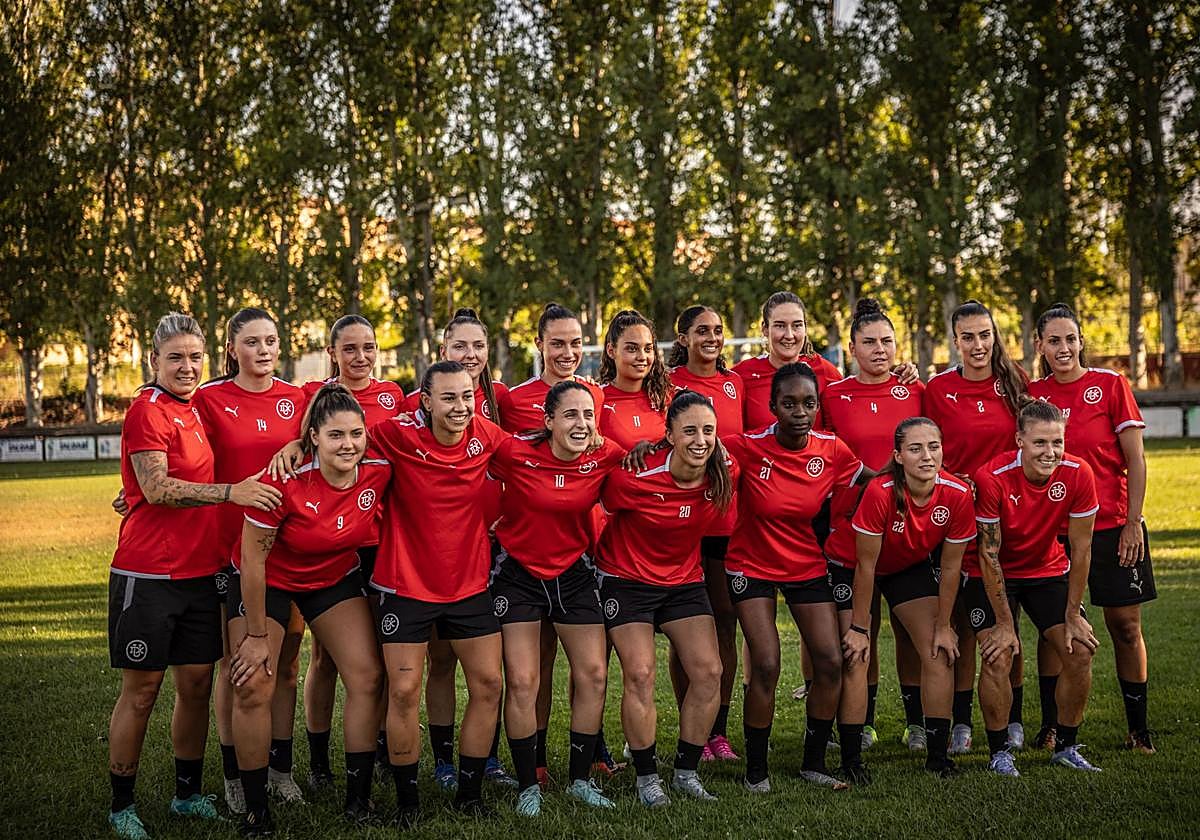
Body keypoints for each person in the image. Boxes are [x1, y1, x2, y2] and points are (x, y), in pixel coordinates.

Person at [106, 313, 281, 840]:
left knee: (198, 685)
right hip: (149, 573)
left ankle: (186, 794)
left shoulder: (197, 408)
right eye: (175, 357)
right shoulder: (146, 409)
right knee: (142, 691)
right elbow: (158, 488)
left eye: (194, 357)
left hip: (204, 572)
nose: (186, 366)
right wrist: (232, 491)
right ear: (153, 361)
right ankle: (121, 805)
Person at [227, 383, 389, 833]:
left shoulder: (378, 471)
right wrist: (257, 637)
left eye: (356, 433)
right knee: (253, 681)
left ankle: (358, 800)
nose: (349, 444)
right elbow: (253, 561)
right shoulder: (283, 478)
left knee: (368, 675)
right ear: (313, 437)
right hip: (269, 580)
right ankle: (257, 810)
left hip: (331, 578)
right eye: (336, 435)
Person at [368, 361, 508, 822]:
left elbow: (536, 459)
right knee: (404, 691)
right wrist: (294, 445)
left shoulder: (486, 436)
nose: (460, 406)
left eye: (467, 396)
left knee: (489, 686)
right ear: (425, 401)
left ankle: (469, 796)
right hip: (405, 583)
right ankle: (408, 805)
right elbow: (338, 437)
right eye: (448, 398)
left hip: (467, 585)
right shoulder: (395, 435)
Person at [722, 363, 865, 793]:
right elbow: (694, 444)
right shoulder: (746, 446)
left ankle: (813, 762)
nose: (799, 412)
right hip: (750, 563)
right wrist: (648, 447)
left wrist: (928, 479)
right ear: (772, 407)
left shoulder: (833, 449)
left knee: (830, 661)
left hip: (804, 563)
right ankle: (756, 771)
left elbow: (872, 483)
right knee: (765, 663)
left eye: (808, 403)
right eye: (789, 403)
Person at [488, 381, 624, 815]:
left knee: (594, 675)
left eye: (588, 415)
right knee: (524, 680)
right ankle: (529, 783)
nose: (581, 423)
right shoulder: (514, 452)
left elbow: (651, 459)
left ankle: (581, 780)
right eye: (570, 415)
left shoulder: (605, 454)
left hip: (574, 572)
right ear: (547, 421)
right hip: (519, 573)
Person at [598, 391, 738, 806]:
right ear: (669, 435)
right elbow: (594, 499)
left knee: (710, 672)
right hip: (625, 579)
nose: (700, 439)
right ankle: (646, 779)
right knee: (640, 673)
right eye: (689, 430)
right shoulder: (633, 475)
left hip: (682, 581)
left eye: (708, 430)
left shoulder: (724, 471)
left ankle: (685, 772)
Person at [192, 308, 307, 811]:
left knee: (286, 666)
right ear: (232, 348)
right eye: (253, 342)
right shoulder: (209, 398)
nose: (264, 350)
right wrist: (136, 490)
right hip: (229, 552)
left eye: (272, 341)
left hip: (291, 550)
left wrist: (299, 440)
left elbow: (321, 439)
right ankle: (236, 774)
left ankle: (281, 771)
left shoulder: (296, 398)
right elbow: (176, 453)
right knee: (236, 668)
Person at [1030, 303, 1156, 754]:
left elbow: (1136, 459)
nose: (1063, 348)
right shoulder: (1033, 394)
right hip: (1054, 532)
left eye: (1070, 339)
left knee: (1124, 626)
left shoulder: (1109, 385)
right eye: (1053, 340)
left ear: (1081, 340)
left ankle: (1138, 728)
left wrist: (1132, 522)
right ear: (1039, 346)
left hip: (1110, 526)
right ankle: (1049, 724)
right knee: (1054, 629)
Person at [401, 308, 515, 789]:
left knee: (491, 667)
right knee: (442, 658)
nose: (470, 356)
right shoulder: (413, 408)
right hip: (436, 549)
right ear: (443, 351)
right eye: (460, 347)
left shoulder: (499, 398)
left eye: (478, 347)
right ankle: (444, 761)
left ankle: (486, 758)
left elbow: (519, 453)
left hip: (493, 544)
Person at [497, 303, 611, 781]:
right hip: (523, 550)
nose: (567, 352)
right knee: (531, 669)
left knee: (591, 669)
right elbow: (492, 454)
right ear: (539, 344)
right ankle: (535, 763)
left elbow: (608, 451)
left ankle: (589, 757)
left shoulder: (595, 396)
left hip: (576, 549)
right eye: (557, 342)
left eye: (575, 342)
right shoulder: (512, 401)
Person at [830, 418, 975, 781]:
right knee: (856, 655)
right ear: (898, 456)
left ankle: (938, 758)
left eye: (934, 447)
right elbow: (865, 566)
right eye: (915, 449)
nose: (927, 456)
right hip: (851, 564)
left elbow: (951, 567)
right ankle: (851, 759)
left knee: (938, 651)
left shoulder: (957, 494)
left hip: (904, 565)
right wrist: (860, 629)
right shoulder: (881, 492)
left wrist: (943, 626)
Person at [966, 399, 1102, 776]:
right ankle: (999, 753)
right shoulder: (991, 476)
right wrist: (1006, 625)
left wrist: (1073, 614)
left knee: (1080, 651)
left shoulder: (1079, 473)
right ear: (1019, 440)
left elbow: (1082, 547)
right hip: (991, 573)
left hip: (1047, 571)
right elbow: (988, 554)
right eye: (1040, 443)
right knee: (998, 654)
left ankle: (1066, 745)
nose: (1051, 451)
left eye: (1057, 442)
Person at [923, 300, 1030, 755]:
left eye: (985, 334)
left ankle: (1016, 716)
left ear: (995, 335)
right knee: (964, 625)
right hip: (956, 522)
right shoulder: (937, 389)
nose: (978, 344)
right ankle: (963, 721)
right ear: (955, 341)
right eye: (968, 336)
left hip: (1008, 521)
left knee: (1009, 623)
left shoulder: (1016, 383)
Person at [301, 314, 403, 787]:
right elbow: (295, 449)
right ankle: (318, 760)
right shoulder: (315, 398)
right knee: (324, 658)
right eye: (350, 349)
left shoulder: (393, 396)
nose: (360, 357)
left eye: (369, 347)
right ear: (333, 352)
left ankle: (380, 746)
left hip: (380, 542)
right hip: (331, 544)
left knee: (380, 654)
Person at [822, 298, 927, 750]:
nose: (879, 349)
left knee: (909, 631)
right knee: (861, 628)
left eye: (887, 341)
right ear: (851, 347)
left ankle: (917, 721)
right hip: (851, 532)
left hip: (909, 531)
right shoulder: (832, 396)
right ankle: (861, 722)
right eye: (869, 342)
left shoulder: (915, 392)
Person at [667, 305, 744, 761]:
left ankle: (717, 730)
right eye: (701, 331)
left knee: (723, 620)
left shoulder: (736, 383)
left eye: (718, 330)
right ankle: (690, 721)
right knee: (686, 627)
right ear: (683, 337)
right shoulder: (667, 384)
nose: (712, 338)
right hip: (677, 520)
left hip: (723, 518)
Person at [732, 291, 842, 431]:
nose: (789, 335)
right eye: (780, 326)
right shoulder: (741, 376)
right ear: (765, 329)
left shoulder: (825, 372)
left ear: (805, 328)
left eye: (797, 325)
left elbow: (839, 434)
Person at [598, 309, 672, 449]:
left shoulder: (665, 396)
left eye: (648, 349)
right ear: (611, 351)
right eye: (632, 349)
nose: (642, 357)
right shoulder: (596, 399)